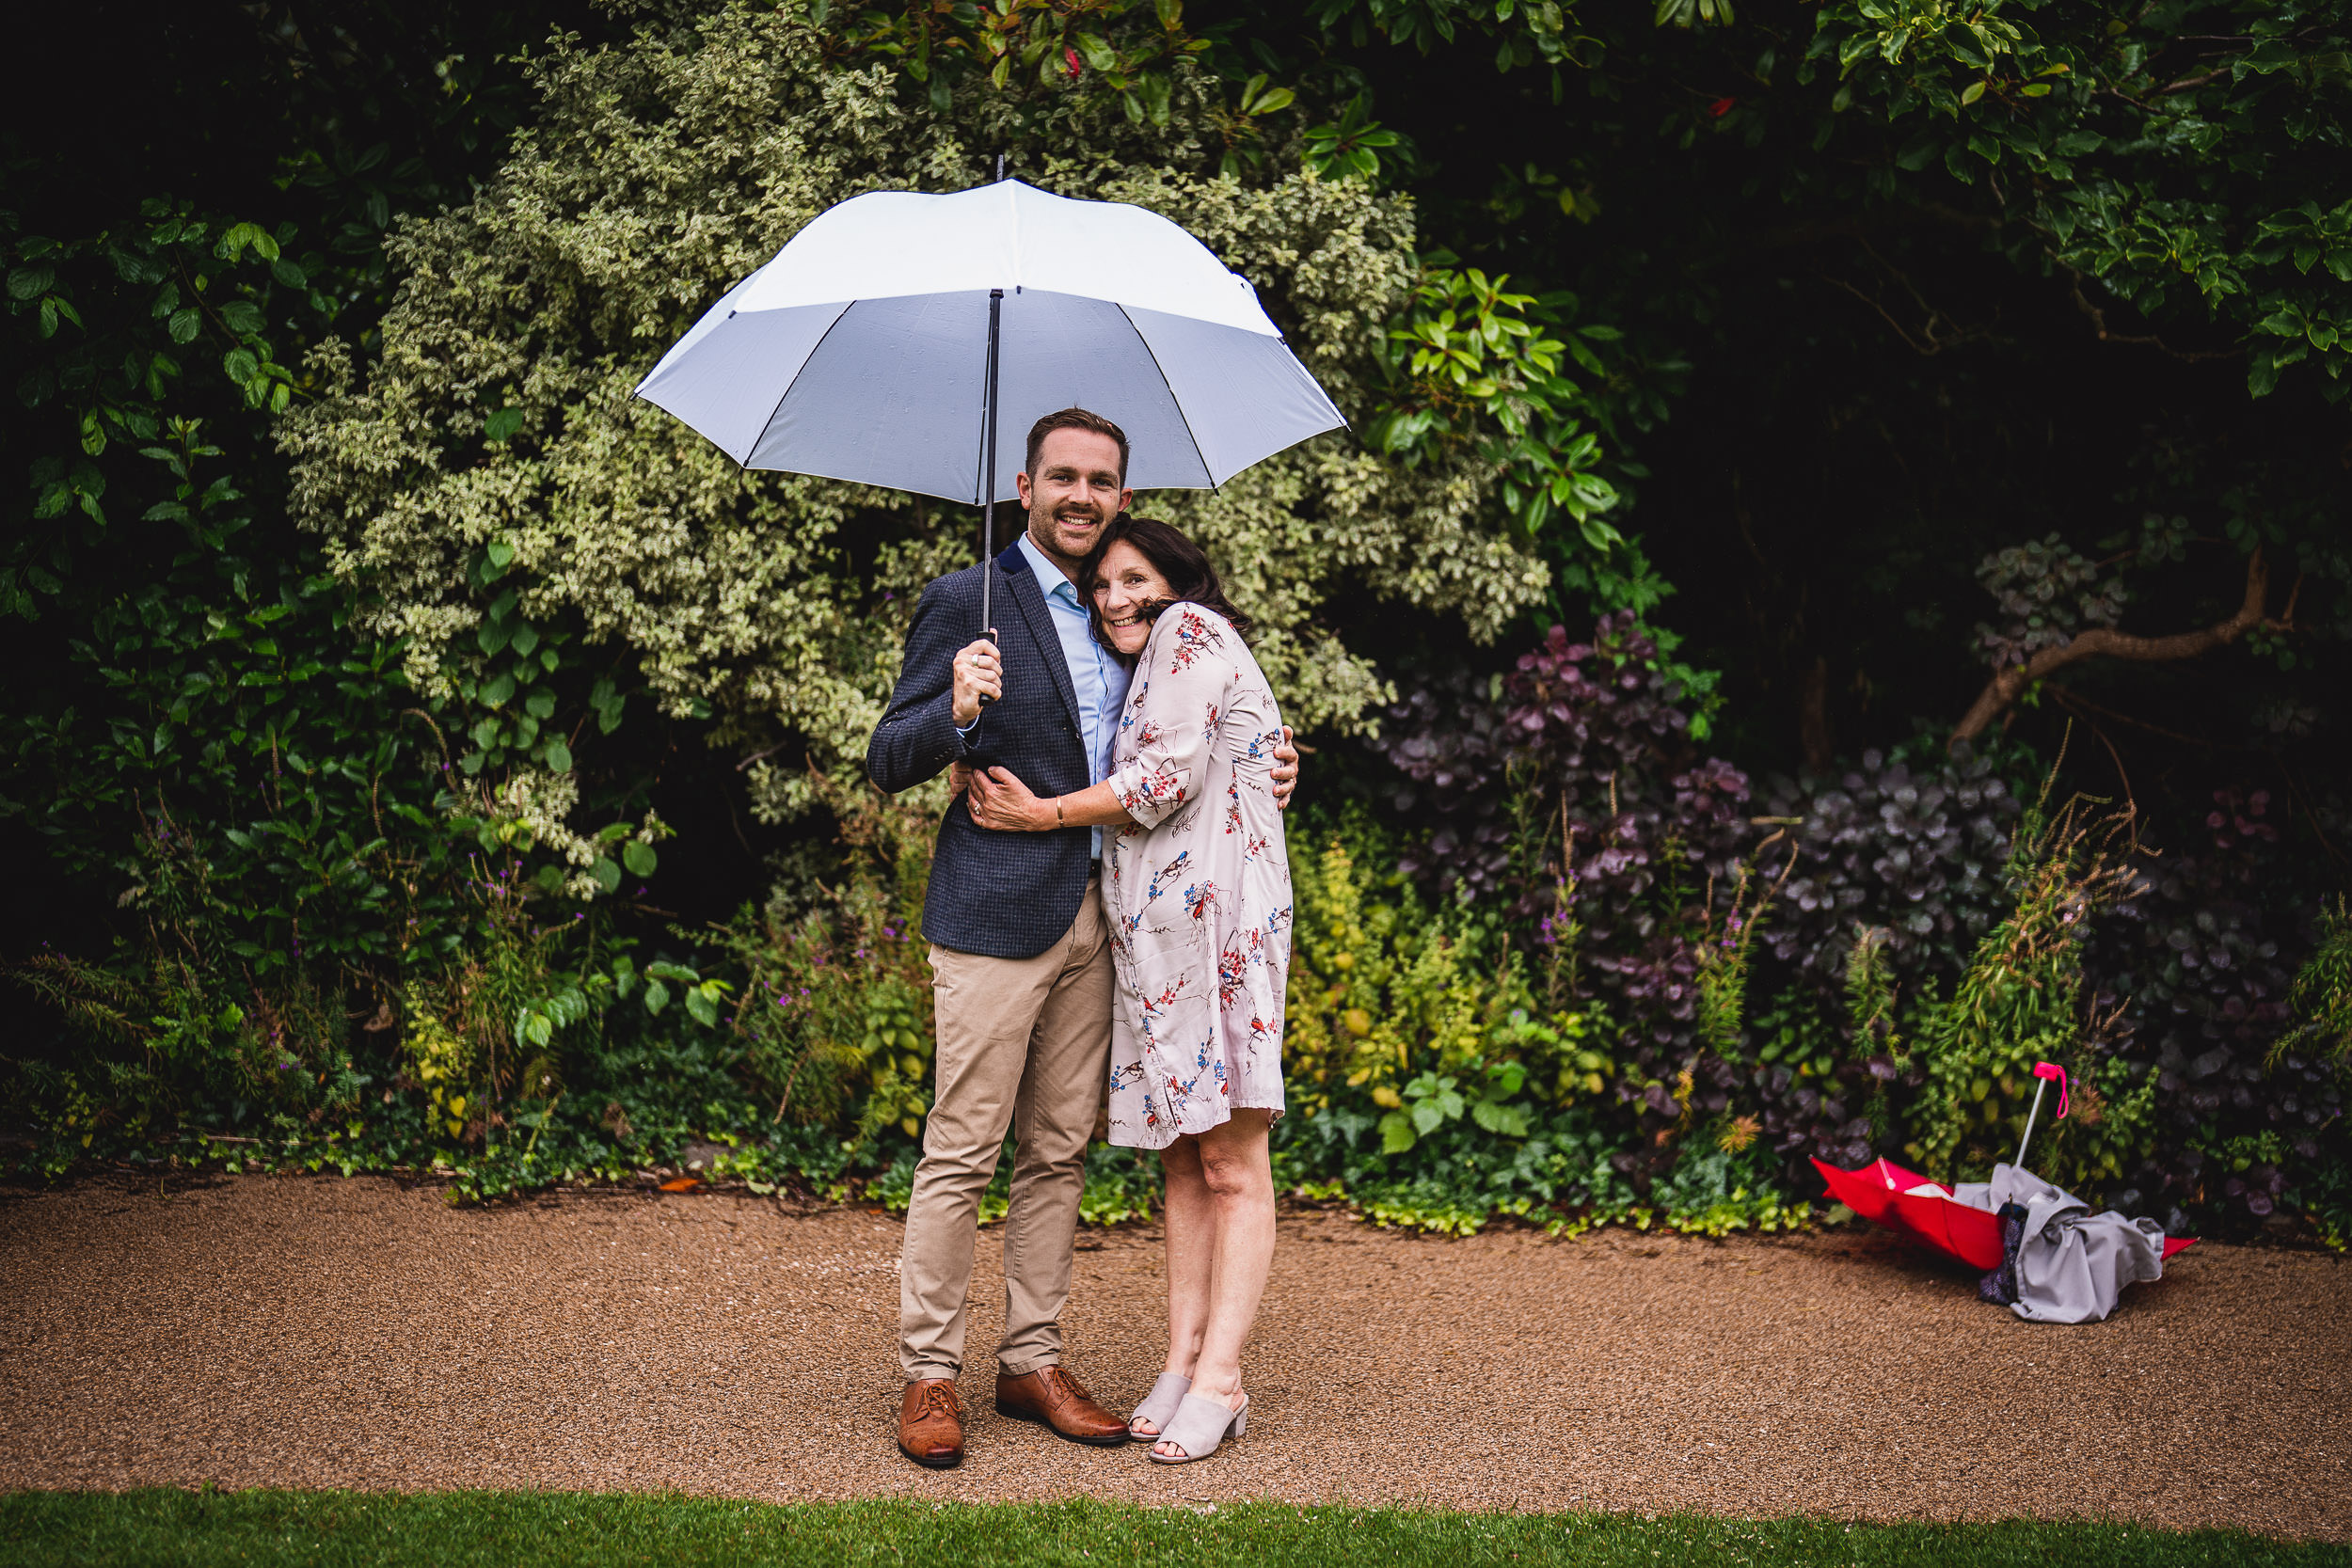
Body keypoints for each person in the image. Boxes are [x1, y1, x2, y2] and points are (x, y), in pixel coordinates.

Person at [865, 408, 1297, 1470]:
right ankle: (930, 1370)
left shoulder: (1141, 619)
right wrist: (956, 713)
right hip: (993, 916)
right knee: (962, 1150)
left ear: (1123, 498)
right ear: (1024, 485)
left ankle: (1031, 1358)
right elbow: (884, 755)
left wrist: (1273, 757)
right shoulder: (962, 603)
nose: (1079, 494)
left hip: (1110, 923)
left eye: (1099, 480)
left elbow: (1191, 737)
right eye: (1061, 475)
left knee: (1059, 1152)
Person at [963, 514, 1290, 1465]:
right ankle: (1183, 1360)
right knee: (1184, 1164)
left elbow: (1163, 776)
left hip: (1218, 931)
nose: (1115, 597)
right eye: (1102, 582)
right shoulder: (1154, 656)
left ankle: (1223, 1379)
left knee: (1231, 1162)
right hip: (1158, 943)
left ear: (1177, 580)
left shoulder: (1189, 631)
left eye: (1135, 577)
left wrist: (1040, 814)